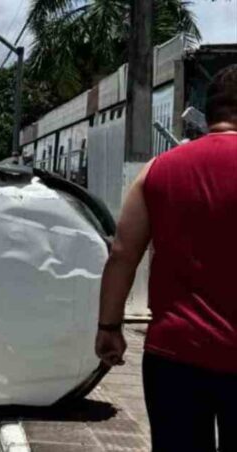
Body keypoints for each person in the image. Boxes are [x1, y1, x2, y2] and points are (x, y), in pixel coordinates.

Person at [96, 64, 237, 451]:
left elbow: (122, 253)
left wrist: (109, 326)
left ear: (209, 111)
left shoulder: (158, 170)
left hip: (175, 355)